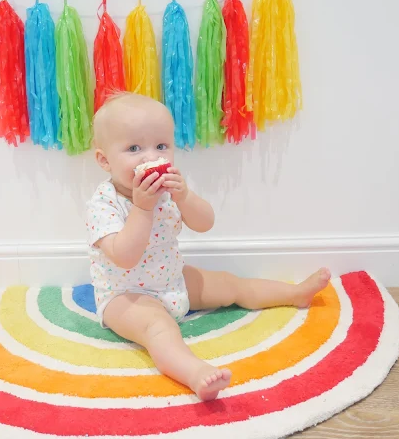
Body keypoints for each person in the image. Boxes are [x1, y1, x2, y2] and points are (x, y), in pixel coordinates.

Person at [85, 92, 331, 401]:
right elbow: (124, 256)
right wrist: (143, 209)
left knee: (230, 284)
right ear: (104, 160)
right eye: (134, 148)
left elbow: (205, 223)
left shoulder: (168, 190)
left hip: (172, 279)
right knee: (157, 328)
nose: (151, 157)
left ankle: (294, 294)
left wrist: (185, 197)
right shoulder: (103, 203)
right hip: (126, 295)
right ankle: (195, 373)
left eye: (161, 146)